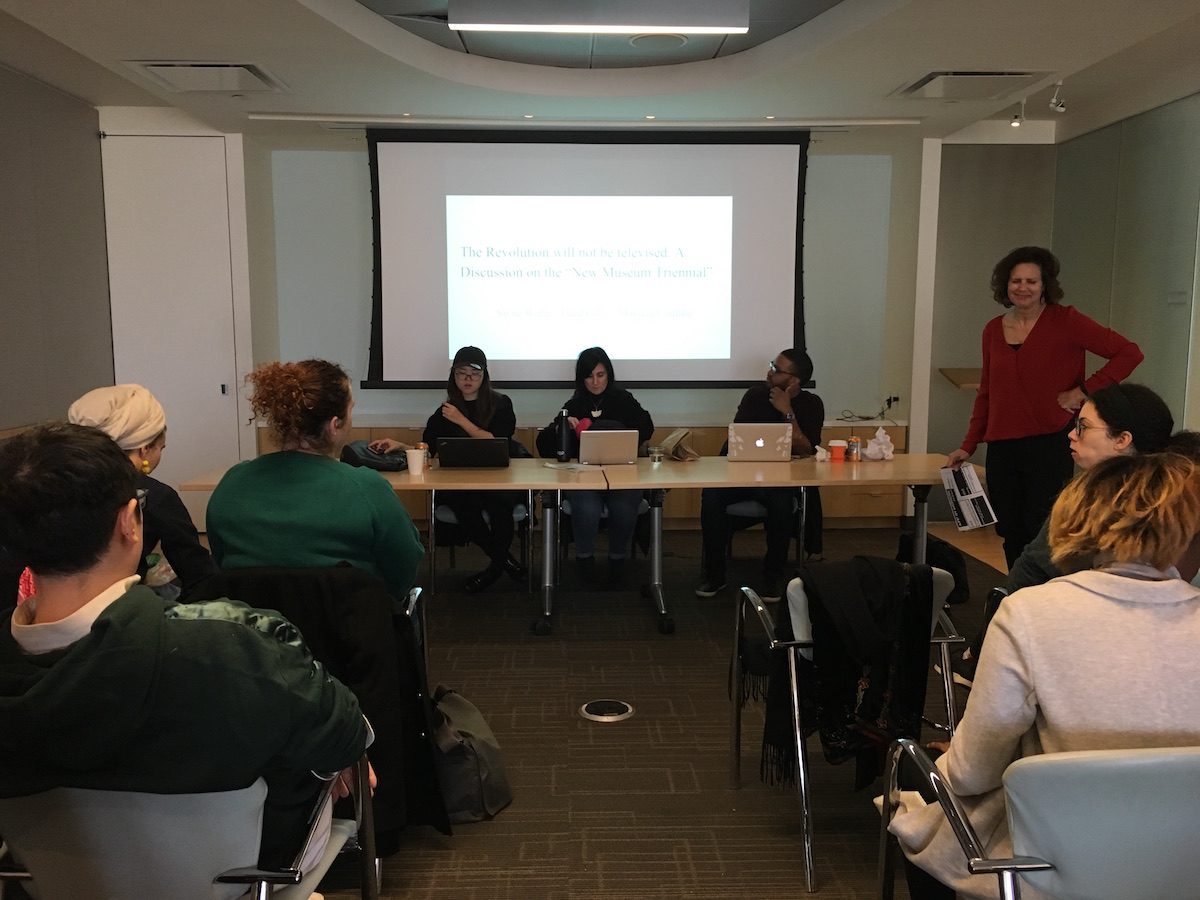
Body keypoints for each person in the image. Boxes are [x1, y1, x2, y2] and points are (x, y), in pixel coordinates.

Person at [0, 423, 371, 872]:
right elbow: (344, 731)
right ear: (128, 523)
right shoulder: (236, 643)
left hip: (50, 878)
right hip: (242, 874)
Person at [889, 451, 1200, 899]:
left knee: (915, 791)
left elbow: (973, 773)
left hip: (1060, 861)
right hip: (1185, 863)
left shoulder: (1031, 614)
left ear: (1076, 518)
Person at [945, 382, 1174, 687]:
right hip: (1155, 653)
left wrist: (982, 648)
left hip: (1077, 655)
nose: (1072, 433)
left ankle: (977, 660)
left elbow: (1031, 570)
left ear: (1122, 439)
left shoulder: (1088, 501)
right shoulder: (1172, 499)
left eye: (1083, 426)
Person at [946, 246, 1143, 568]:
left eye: (1031, 281)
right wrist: (968, 445)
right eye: (1015, 281)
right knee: (1009, 529)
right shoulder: (993, 329)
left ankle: (1042, 595)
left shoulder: (1066, 321)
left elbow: (1129, 353)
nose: (1022, 287)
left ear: (1045, 285)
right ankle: (1016, 591)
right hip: (1002, 444)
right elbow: (988, 392)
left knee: (1042, 528)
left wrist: (1083, 391)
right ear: (1005, 286)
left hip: (1050, 441)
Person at [207, 359, 423, 601]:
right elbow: (404, 569)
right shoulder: (367, 489)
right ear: (334, 426)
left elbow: (222, 560)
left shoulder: (232, 484)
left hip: (255, 632)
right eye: (351, 411)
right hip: (348, 632)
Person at [372, 346, 528, 593]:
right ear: (453, 376)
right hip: (459, 481)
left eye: (474, 374)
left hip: (497, 477)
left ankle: (495, 568)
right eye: (461, 373)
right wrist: (399, 445)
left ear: (484, 376)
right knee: (463, 505)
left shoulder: (501, 404)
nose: (467, 379)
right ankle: (505, 562)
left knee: (501, 509)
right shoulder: (445, 411)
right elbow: (427, 449)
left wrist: (461, 420)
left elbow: (497, 441)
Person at [695, 349, 823, 602]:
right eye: (771, 365)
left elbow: (807, 450)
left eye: (777, 369)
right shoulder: (755, 396)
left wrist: (787, 412)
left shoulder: (811, 404)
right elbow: (739, 439)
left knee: (781, 503)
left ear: (794, 381)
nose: (769, 372)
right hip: (743, 475)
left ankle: (772, 575)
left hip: (781, 480)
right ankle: (715, 574)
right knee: (711, 496)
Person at [66, 383, 216, 592]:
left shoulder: (56, 484)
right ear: (144, 449)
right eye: (161, 448)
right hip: (120, 606)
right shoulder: (154, 496)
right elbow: (197, 574)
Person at [536, 347, 654, 586]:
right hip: (584, 477)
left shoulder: (624, 399)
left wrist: (612, 429)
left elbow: (647, 427)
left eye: (600, 375)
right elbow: (545, 444)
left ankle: (617, 560)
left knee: (624, 503)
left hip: (621, 473)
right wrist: (562, 428)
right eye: (589, 376)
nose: (595, 381)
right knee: (587, 506)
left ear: (608, 374)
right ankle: (584, 559)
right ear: (581, 378)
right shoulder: (575, 403)